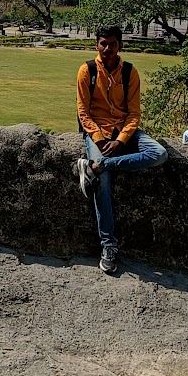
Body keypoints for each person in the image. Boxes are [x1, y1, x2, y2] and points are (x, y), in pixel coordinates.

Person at [75, 25, 169, 275]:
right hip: (99, 134)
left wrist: (122, 139)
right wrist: (98, 137)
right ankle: (109, 245)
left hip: (125, 132)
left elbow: (134, 113)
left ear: (120, 46)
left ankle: (95, 166)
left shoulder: (129, 72)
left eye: (113, 44)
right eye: (103, 43)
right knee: (102, 183)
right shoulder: (88, 70)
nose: (107, 49)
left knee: (160, 154)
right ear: (97, 44)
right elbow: (83, 112)